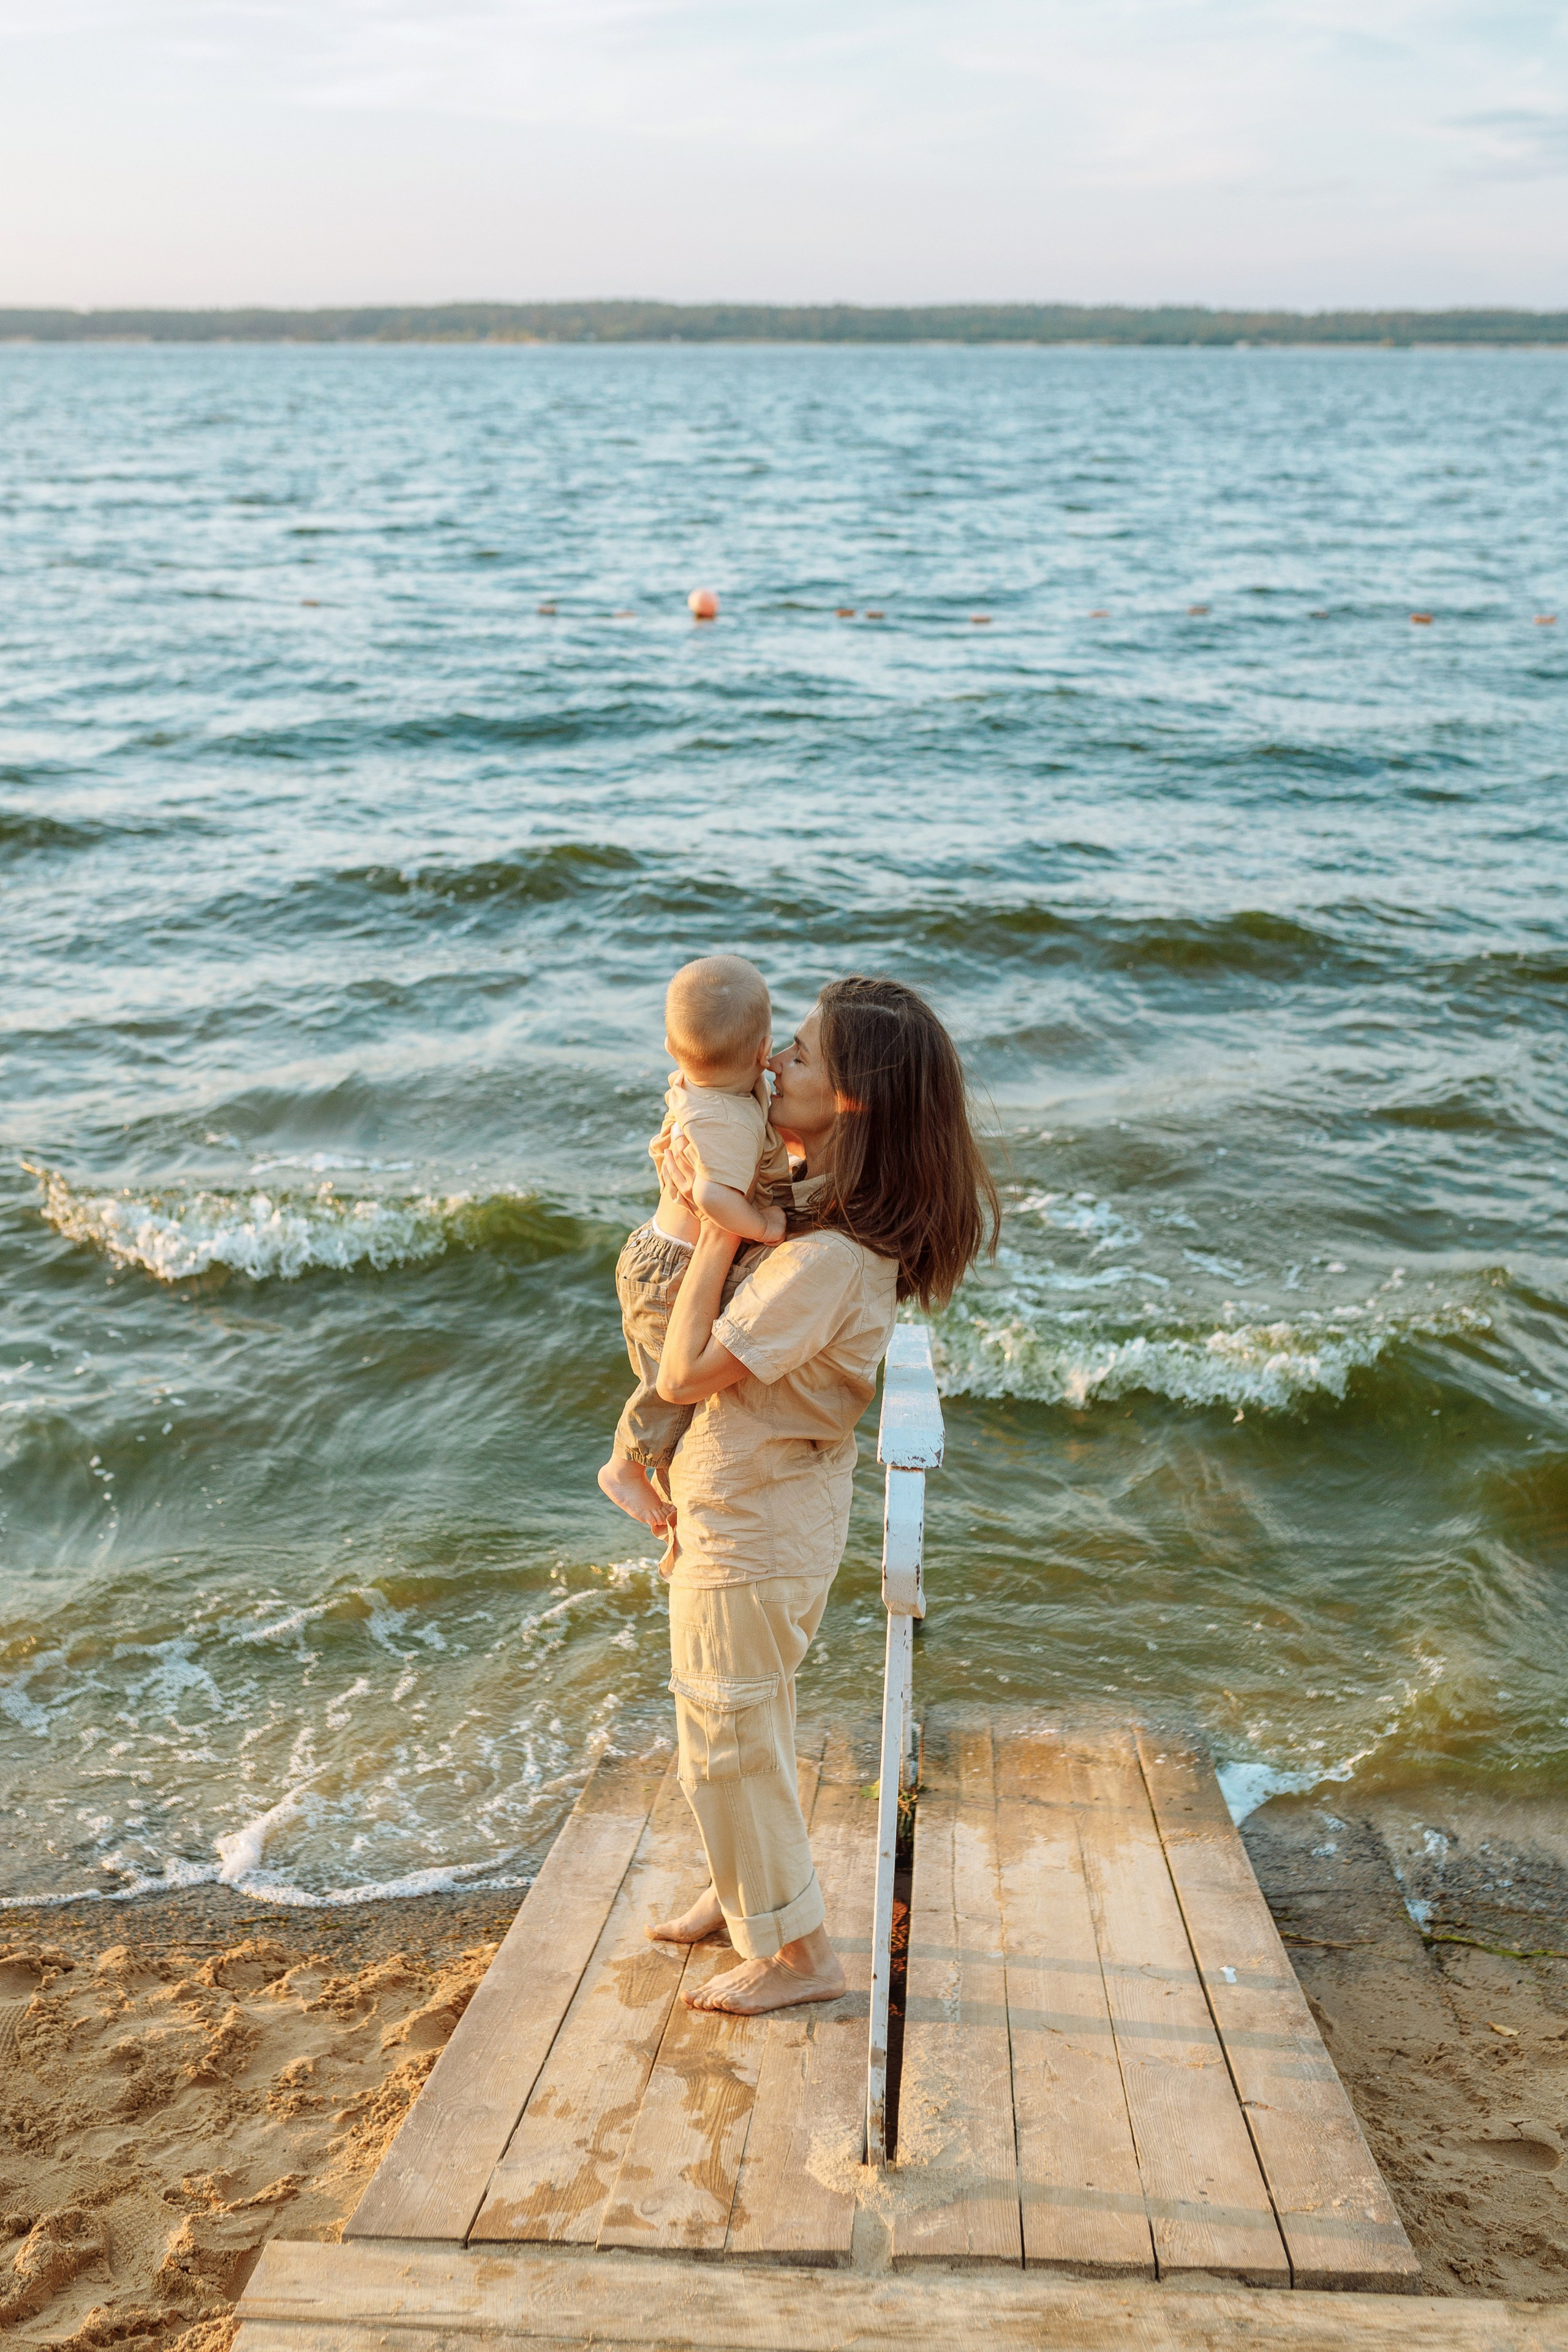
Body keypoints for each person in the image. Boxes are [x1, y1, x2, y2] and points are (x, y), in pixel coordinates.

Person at [638, 974, 998, 2015]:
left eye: (798, 1056)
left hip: (756, 1522)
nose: (774, 1066)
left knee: (724, 1734)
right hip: (761, 1507)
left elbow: (682, 1373)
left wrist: (713, 1236)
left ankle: (801, 1958)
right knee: (746, 1718)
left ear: (856, 1104)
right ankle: (748, 1891)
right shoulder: (820, 1213)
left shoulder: (832, 1260)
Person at [597, 956, 792, 1540]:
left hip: (656, 1254)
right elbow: (710, 1192)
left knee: (661, 1377)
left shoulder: (702, 1089)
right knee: (669, 1385)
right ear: (763, 1050)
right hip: (673, 1268)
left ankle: (649, 1466)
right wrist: (762, 1226)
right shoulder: (728, 1119)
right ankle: (624, 1466)